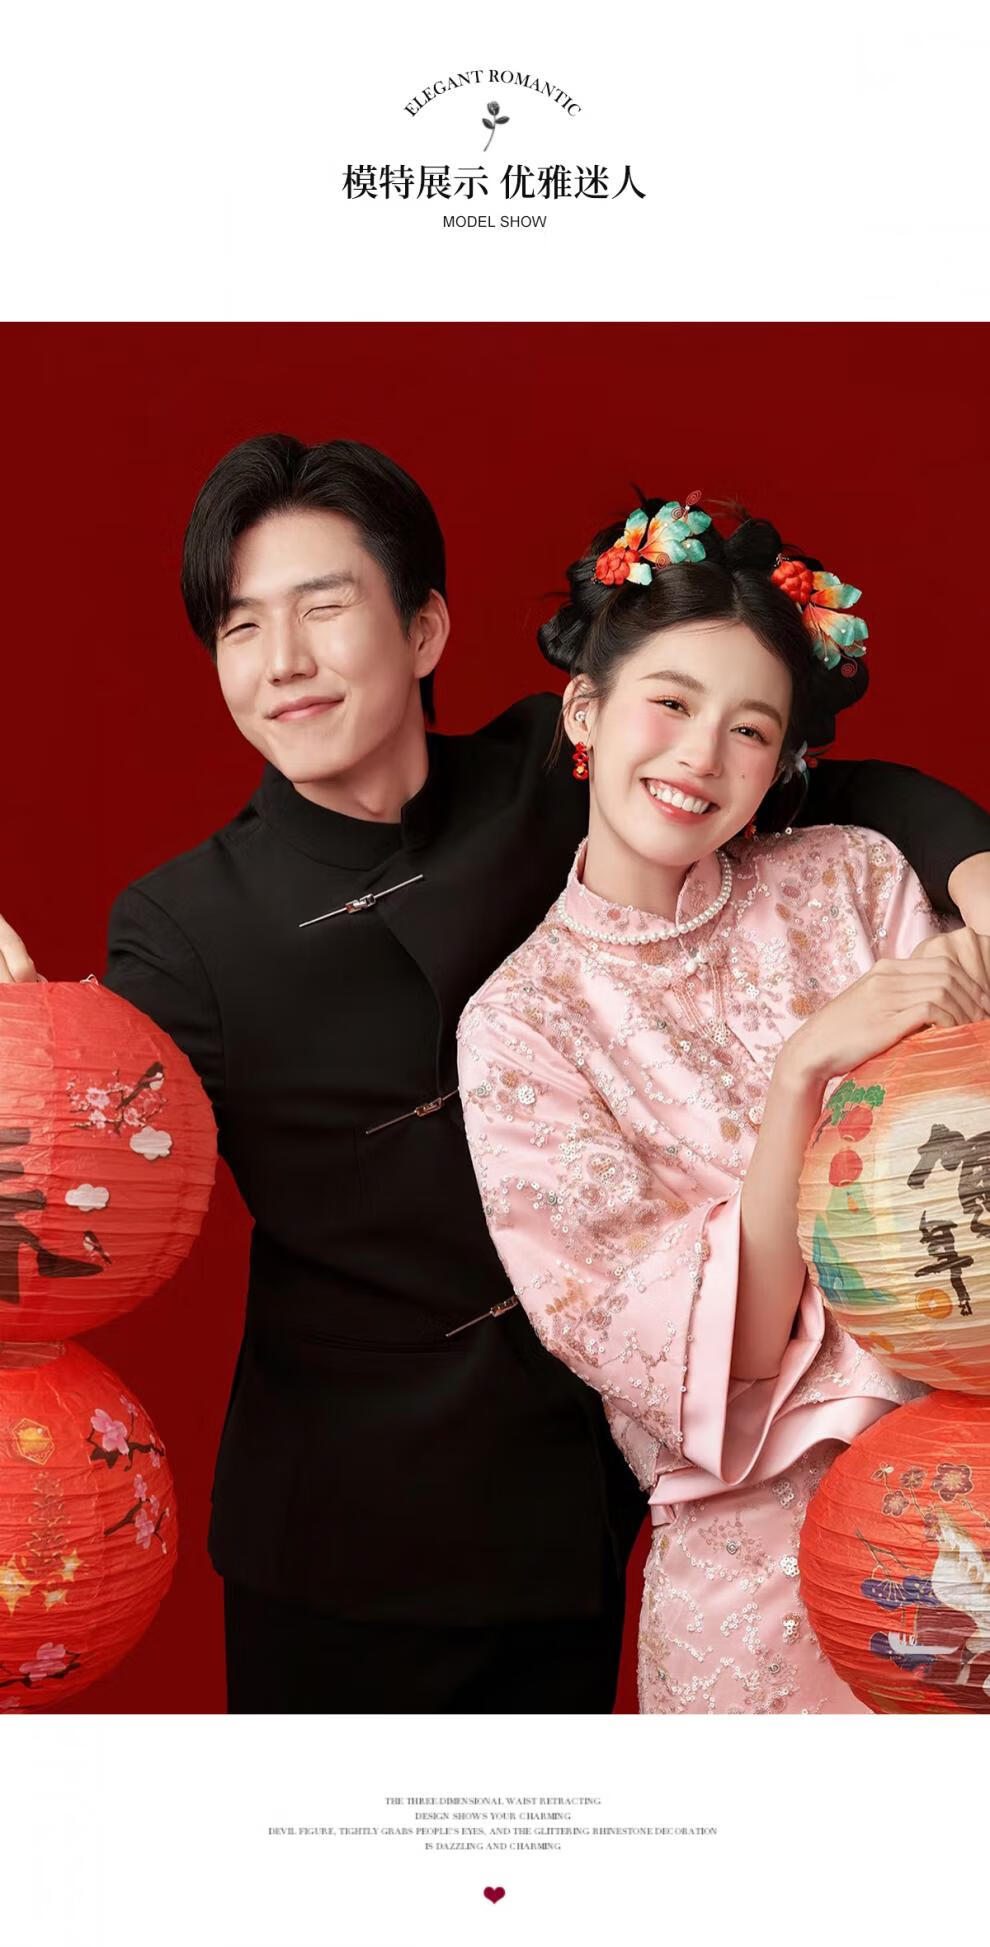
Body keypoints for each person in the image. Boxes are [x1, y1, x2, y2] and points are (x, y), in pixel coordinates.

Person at [3, 441, 990, 1714]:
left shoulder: (556, 771)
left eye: (323, 607)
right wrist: (29, 1033)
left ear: (424, 628)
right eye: (241, 626)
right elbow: (103, 1128)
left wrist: (974, 872)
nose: (283, 661)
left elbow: (811, 771)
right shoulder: (186, 924)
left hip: (570, 1501)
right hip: (346, 1515)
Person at [457, 492, 990, 1712]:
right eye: (671, 702)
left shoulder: (850, 879)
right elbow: (730, 1351)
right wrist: (804, 1069)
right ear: (584, 713)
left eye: (750, 729)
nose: (701, 755)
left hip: (965, 1507)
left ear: (784, 762)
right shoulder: (522, 1026)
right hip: (751, 1580)